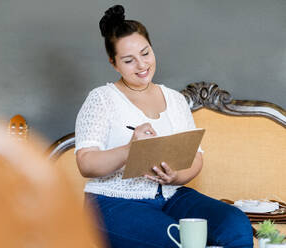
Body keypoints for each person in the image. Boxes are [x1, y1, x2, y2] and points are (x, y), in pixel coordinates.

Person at [74, 5, 253, 248]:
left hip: (171, 195)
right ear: (114, 63)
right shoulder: (101, 98)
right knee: (175, 238)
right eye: (129, 60)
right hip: (113, 201)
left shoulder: (175, 100)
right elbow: (86, 163)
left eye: (145, 53)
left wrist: (176, 177)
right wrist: (129, 150)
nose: (141, 65)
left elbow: (196, 158)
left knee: (234, 224)